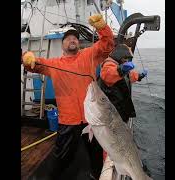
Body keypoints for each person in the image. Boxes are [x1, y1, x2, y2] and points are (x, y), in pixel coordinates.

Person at [22, 14, 114, 180]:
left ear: (78, 43)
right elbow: (33, 63)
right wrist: (27, 58)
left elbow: (107, 45)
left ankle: (96, 175)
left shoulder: (88, 56)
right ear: (62, 44)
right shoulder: (54, 64)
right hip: (67, 121)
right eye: (68, 38)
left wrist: (102, 27)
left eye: (75, 38)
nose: (73, 40)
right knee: (61, 158)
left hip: (91, 119)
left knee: (96, 154)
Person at [98, 43, 147, 123]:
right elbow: (108, 75)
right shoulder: (108, 64)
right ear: (119, 55)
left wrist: (140, 76)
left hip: (121, 108)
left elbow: (129, 76)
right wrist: (121, 70)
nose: (126, 60)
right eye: (125, 58)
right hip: (114, 110)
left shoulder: (120, 65)